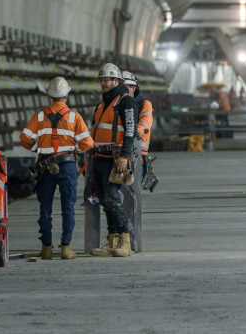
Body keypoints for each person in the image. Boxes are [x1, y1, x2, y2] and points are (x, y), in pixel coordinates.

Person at [20, 76, 94, 260]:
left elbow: (24, 138)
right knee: (68, 207)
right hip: (67, 164)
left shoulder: (39, 116)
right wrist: (74, 150)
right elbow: (88, 142)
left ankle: (46, 249)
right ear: (66, 95)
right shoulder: (74, 117)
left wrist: (37, 148)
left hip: (45, 165)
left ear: (50, 96)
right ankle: (66, 248)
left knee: (45, 208)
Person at [87, 63, 138, 258]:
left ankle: (125, 241)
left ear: (117, 81)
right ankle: (112, 241)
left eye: (107, 79)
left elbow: (130, 131)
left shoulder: (126, 102)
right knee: (105, 201)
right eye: (101, 79)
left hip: (116, 159)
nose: (104, 83)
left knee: (113, 199)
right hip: (99, 157)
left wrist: (124, 156)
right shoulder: (101, 105)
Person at [122, 70, 154, 177]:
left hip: (137, 154)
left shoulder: (144, 104)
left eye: (126, 87)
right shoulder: (118, 104)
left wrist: (134, 131)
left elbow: (145, 122)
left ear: (134, 88)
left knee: (132, 191)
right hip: (121, 153)